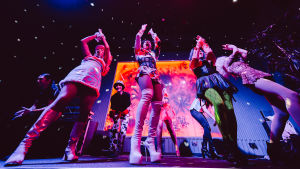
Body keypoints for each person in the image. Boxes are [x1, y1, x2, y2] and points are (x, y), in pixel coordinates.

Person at [5, 29, 112, 166]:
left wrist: (103, 39)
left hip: (94, 80)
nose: (100, 50)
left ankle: (70, 149)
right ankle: (24, 145)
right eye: (98, 48)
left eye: (101, 49)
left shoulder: (105, 63)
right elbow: (83, 41)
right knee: (62, 99)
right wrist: (95, 36)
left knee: (84, 113)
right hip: (79, 74)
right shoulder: (88, 57)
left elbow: (108, 48)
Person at [216, 44, 300, 163]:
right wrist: (233, 48)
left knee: (281, 113)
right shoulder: (228, 66)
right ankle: (274, 150)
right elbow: (233, 55)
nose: (228, 57)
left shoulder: (237, 61)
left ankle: (273, 150)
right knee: (292, 96)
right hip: (254, 80)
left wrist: (236, 49)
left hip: (259, 78)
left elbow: (244, 51)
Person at [189, 35, 247, 165]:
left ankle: (233, 146)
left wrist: (204, 44)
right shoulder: (194, 64)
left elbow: (210, 54)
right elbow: (194, 60)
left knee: (230, 110)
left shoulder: (210, 60)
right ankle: (229, 145)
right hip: (205, 85)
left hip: (219, 82)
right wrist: (197, 47)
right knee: (219, 104)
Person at [130, 24, 163, 164]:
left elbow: (159, 43)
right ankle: (135, 143)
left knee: (157, 105)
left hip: (155, 75)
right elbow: (137, 39)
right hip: (143, 71)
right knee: (147, 94)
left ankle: (150, 142)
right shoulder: (139, 52)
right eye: (145, 42)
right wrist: (142, 31)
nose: (147, 43)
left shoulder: (154, 54)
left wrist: (153, 34)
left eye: (148, 42)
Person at [108, 80, 131, 156]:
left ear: (122, 86)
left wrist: (124, 112)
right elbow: (113, 108)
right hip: (117, 115)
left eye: (119, 85)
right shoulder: (113, 97)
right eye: (116, 85)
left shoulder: (127, 95)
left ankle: (119, 148)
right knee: (114, 131)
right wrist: (113, 114)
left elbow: (129, 106)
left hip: (125, 114)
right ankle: (113, 148)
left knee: (122, 131)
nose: (118, 86)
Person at [156, 89, 180, 157]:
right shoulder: (154, 90)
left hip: (166, 109)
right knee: (159, 127)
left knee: (171, 130)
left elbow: (166, 100)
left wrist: (163, 98)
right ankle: (159, 149)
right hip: (160, 109)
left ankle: (176, 148)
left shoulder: (163, 89)